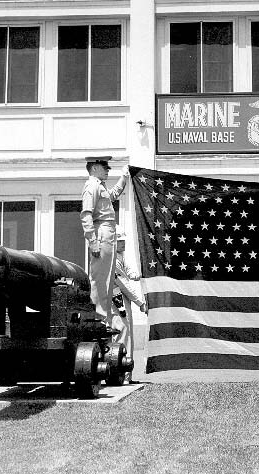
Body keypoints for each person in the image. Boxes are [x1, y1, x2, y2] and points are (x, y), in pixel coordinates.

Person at [80, 156, 130, 332]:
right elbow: (86, 214)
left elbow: (113, 196)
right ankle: (98, 319)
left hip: (108, 233)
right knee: (100, 279)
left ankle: (104, 318)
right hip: (101, 233)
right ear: (94, 168)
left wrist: (124, 178)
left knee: (108, 279)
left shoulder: (100, 186)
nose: (108, 169)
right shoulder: (92, 186)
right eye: (104, 167)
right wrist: (92, 241)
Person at [111, 226, 147, 382]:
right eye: (120, 241)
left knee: (125, 334)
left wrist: (135, 274)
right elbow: (123, 284)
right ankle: (122, 375)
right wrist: (140, 302)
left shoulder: (119, 257)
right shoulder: (112, 259)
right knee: (123, 334)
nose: (123, 244)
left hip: (119, 298)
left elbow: (128, 273)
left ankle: (125, 375)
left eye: (123, 240)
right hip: (117, 299)